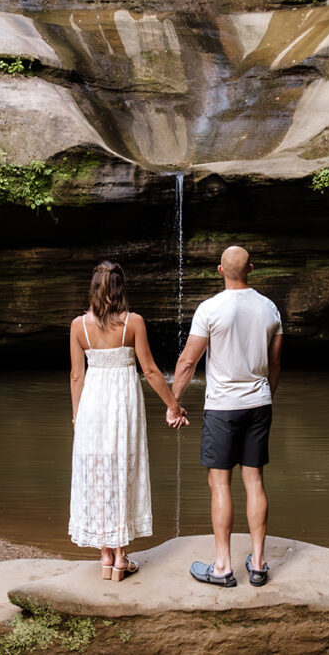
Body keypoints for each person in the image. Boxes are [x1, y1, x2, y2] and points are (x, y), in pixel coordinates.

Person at [172, 246, 283, 588]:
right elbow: (276, 363)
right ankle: (259, 563)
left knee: (220, 484)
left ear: (219, 270)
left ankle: (222, 566)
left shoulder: (210, 309)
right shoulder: (270, 308)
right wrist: (266, 396)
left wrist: (173, 402)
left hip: (222, 407)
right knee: (254, 480)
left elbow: (188, 362)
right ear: (251, 268)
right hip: (258, 404)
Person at [69, 260, 187, 582]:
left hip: (92, 405)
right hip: (122, 404)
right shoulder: (133, 322)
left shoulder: (79, 326)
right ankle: (121, 557)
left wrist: (78, 417)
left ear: (94, 289)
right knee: (122, 468)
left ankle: (105, 556)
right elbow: (149, 370)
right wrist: (173, 406)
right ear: (121, 289)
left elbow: (77, 375)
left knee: (98, 471)